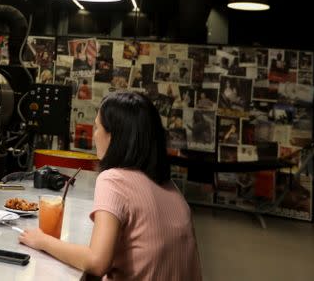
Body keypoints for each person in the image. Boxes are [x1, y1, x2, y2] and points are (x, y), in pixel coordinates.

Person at [18, 91, 201, 280]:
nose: (94, 135)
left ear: (113, 136)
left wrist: (42, 241)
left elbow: (97, 262)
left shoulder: (113, 180)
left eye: (97, 128)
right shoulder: (172, 188)